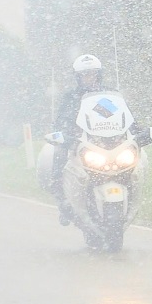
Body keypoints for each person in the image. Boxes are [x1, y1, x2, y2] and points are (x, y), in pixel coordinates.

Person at [43, 54, 111, 223]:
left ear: (98, 75)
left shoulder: (107, 96)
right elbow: (61, 121)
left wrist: (136, 130)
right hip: (78, 142)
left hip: (105, 142)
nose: (89, 78)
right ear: (78, 77)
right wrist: (66, 133)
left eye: (92, 74)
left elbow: (120, 116)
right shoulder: (71, 98)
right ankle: (62, 198)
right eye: (85, 75)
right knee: (59, 152)